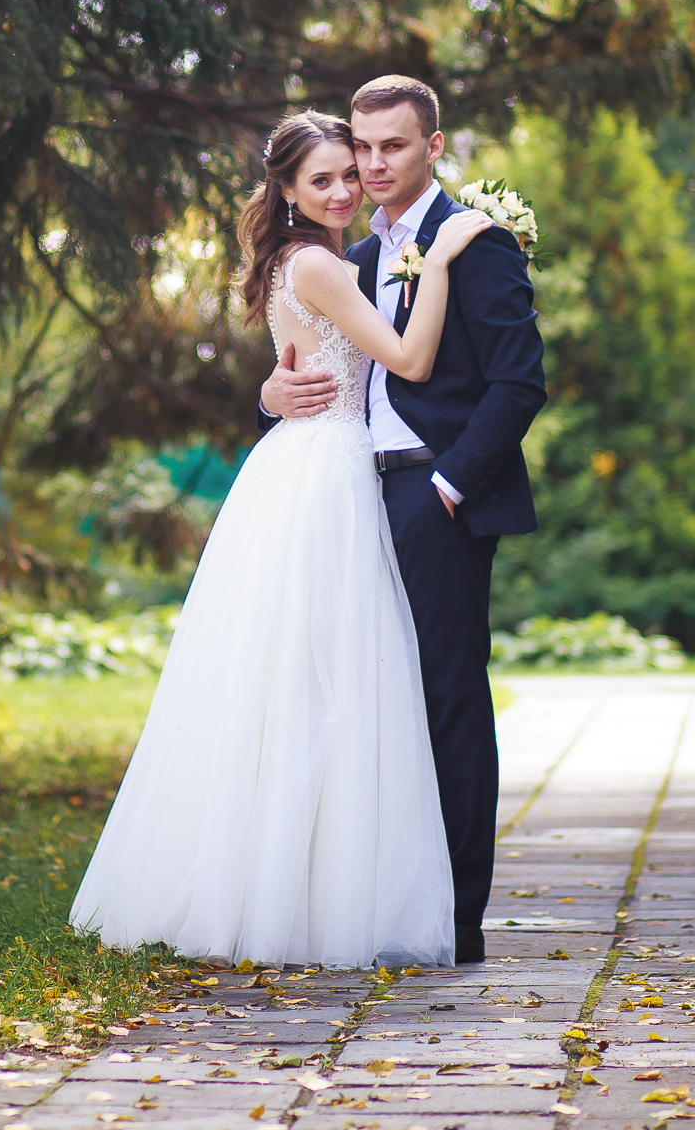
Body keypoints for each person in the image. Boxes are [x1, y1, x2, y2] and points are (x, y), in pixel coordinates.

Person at [67, 110, 495, 967]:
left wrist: (270, 393)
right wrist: (443, 255)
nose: (343, 189)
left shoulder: (303, 263)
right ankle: (310, 897)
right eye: (323, 179)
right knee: (334, 682)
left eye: (349, 173)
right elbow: (409, 361)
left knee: (297, 683)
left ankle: (297, 887)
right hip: (326, 475)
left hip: (303, 464)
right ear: (289, 191)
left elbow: (308, 365)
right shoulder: (319, 265)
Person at [258, 76, 546, 966]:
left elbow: (518, 383)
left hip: (435, 496)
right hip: (355, 490)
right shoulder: (362, 252)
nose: (372, 167)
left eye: (392, 147)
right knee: (376, 703)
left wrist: (450, 487)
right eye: (363, 149)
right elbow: (336, 365)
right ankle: (380, 898)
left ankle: (456, 922)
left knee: (449, 698)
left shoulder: (473, 241)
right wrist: (270, 395)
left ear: (435, 145)